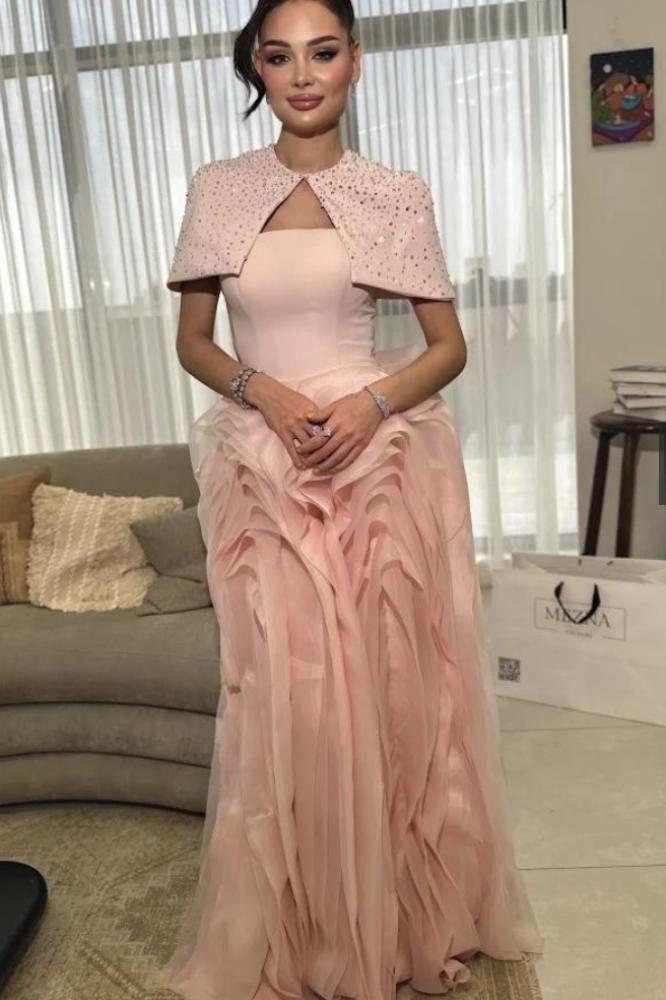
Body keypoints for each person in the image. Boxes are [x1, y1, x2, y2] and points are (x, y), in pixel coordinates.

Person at [157, 1, 545, 998]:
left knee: (392, 698)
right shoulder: (219, 190)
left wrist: (371, 404)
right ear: (256, 68)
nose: (302, 74)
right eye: (278, 56)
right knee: (288, 702)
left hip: (375, 468)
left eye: (322, 53)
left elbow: (447, 348)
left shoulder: (392, 194)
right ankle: (311, 927)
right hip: (264, 468)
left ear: (355, 65)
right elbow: (195, 342)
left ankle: (400, 920)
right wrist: (267, 393)